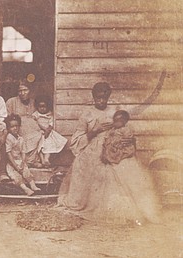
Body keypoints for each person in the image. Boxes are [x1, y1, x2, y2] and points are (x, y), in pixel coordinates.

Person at [58, 82, 161, 225]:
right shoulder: (86, 114)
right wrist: (94, 131)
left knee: (126, 169)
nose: (101, 101)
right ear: (93, 97)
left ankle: (131, 210)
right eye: (98, 98)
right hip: (94, 147)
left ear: (108, 97)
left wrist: (127, 140)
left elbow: (126, 129)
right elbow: (75, 140)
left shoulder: (115, 112)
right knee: (86, 168)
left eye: (104, 98)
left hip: (115, 146)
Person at [6, 79, 44, 168]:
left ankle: (32, 160)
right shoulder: (11, 102)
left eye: (25, 90)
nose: (22, 93)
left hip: (33, 129)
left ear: (30, 91)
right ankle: (27, 161)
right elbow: (8, 119)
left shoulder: (34, 102)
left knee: (40, 135)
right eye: (20, 90)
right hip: (18, 129)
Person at [4, 114, 41, 196]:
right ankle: (26, 189)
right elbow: (8, 153)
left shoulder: (20, 138)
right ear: (8, 128)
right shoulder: (9, 138)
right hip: (12, 163)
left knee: (26, 171)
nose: (15, 128)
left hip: (20, 161)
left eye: (17, 126)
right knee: (16, 176)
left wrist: (23, 162)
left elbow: (23, 151)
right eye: (12, 126)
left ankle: (33, 186)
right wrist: (15, 166)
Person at [32, 95, 68, 167]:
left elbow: (51, 125)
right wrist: (40, 129)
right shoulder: (35, 114)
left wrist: (47, 131)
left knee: (48, 144)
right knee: (39, 145)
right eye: (40, 106)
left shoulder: (49, 114)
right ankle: (42, 160)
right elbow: (33, 123)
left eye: (44, 106)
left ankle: (46, 159)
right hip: (39, 132)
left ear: (47, 106)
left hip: (48, 133)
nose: (42, 108)